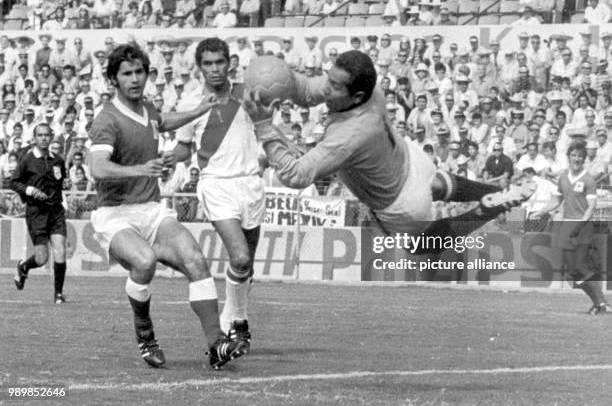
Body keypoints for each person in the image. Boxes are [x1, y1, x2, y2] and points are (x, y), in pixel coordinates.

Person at [243, 50, 535, 249]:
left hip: (402, 204)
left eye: (333, 86)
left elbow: (296, 176)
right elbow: (308, 90)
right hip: (413, 160)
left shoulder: (350, 134)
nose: (326, 89)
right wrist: (284, 79)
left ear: (355, 95)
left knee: (423, 247)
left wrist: (264, 124)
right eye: (328, 79)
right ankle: (490, 190)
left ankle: (487, 209)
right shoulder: (368, 91)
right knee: (436, 183)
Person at [88, 44, 247, 369]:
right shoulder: (107, 120)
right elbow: (98, 167)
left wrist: (198, 110)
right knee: (144, 263)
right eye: (126, 74)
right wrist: (140, 170)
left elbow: (163, 121)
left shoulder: (146, 108)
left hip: (152, 210)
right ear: (113, 81)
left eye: (139, 72)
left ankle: (217, 344)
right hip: (115, 215)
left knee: (196, 260)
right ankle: (145, 331)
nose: (134, 79)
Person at [173, 38, 263, 353]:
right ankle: (237, 324)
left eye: (219, 62)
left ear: (230, 63)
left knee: (246, 264)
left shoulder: (248, 95)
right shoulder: (191, 102)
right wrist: (169, 161)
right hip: (215, 184)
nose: (214, 69)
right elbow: (184, 146)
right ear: (200, 67)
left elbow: (265, 128)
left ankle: (234, 315)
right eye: (208, 64)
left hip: (250, 183)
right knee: (238, 256)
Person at [532, 141, 610, 314]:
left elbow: (591, 206)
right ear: (568, 157)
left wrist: (581, 224)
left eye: (580, 157)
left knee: (579, 267)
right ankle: (600, 304)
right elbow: (557, 200)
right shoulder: (563, 177)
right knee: (572, 271)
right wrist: (541, 211)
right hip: (566, 226)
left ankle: (602, 303)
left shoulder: (588, 179)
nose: (576, 159)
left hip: (582, 227)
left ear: (583, 160)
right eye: (573, 156)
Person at [10, 123, 68, 304]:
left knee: (60, 251)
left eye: (47, 135)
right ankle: (23, 267)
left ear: (51, 137)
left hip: (56, 211)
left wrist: (65, 184)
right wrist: (30, 190)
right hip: (36, 213)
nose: (44, 138)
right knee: (42, 258)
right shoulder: (27, 159)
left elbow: (61, 180)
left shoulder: (57, 160)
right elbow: (14, 182)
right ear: (34, 138)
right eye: (40, 135)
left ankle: (58, 294)